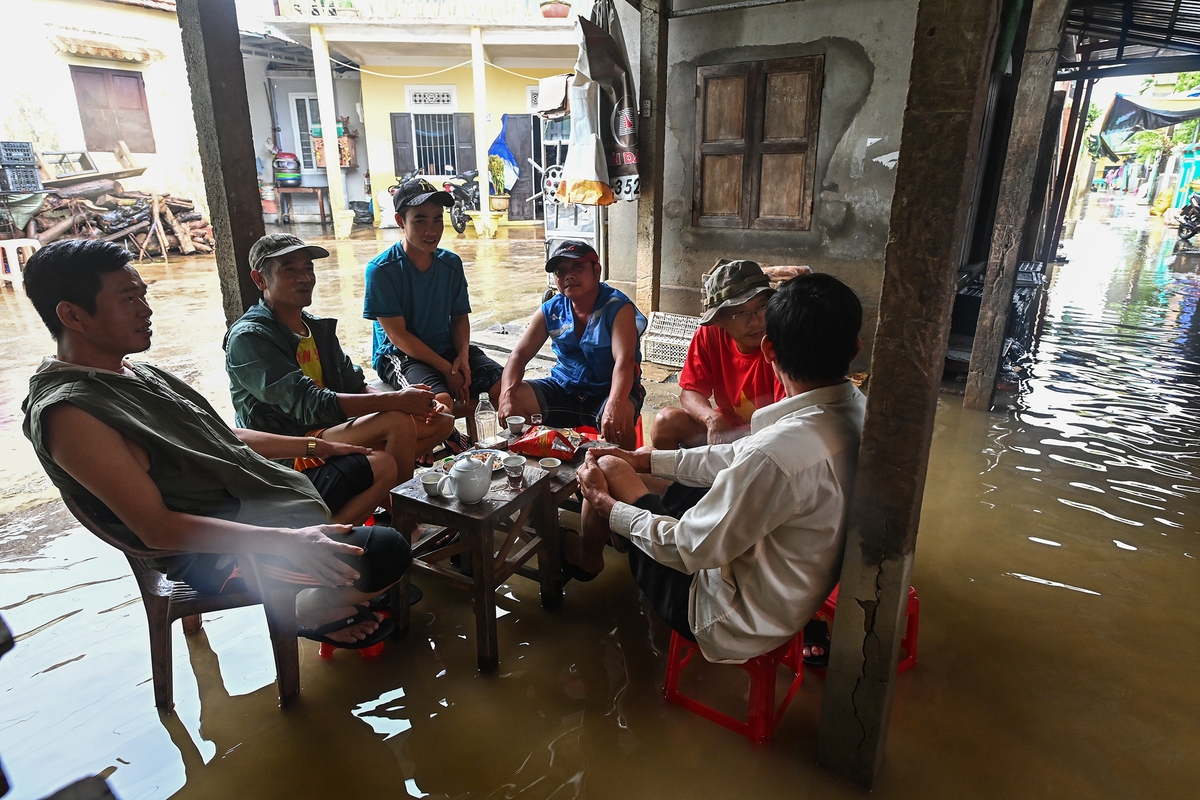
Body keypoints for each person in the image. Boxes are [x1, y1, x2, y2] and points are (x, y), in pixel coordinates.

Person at [22, 240, 409, 648]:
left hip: (258, 499)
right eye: (127, 298)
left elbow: (225, 439)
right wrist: (290, 542)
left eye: (143, 295)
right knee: (388, 553)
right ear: (73, 315)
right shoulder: (71, 414)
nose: (146, 310)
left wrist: (319, 448)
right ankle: (307, 604)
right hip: (217, 551)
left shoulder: (137, 373)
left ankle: (321, 573)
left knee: (374, 465)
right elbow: (156, 528)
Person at [574, 273, 866, 664]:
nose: (747, 319)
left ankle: (591, 556)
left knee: (608, 467)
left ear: (769, 349)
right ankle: (614, 534)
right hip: (795, 585)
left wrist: (607, 504)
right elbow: (737, 455)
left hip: (726, 620)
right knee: (644, 464)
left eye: (756, 310)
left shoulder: (778, 453)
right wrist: (644, 458)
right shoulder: (856, 411)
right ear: (855, 349)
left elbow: (687, 549)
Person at [224, 233, 455, 525]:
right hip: (290, 445)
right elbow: (308, 404)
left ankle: (393, 504)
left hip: (329, 431)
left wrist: (413, 404)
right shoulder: (250, 337)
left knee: (442, 418)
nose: (305, 277)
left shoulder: (316, 329)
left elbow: (356, 385)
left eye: (308, 268)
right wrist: (397, 400)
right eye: (290, 269)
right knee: (396, 420)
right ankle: (402, 520)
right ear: (260, 280)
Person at [363, 178, 503, 440]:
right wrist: (447, 370)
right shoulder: (381, 270)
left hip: (447, 348)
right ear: (400, 221)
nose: (431, 230)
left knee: (506, 388)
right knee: (438, 405)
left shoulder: (450, 263)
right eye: (420, 220)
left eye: (437, 220)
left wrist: (461, 356)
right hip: (401, 355)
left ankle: (470, 444)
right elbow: (398, 337)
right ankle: (450, 440)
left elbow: (460, 315)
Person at [496, 240, 647, 449]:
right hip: (565, 389)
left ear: (596, 271)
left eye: (578, 266)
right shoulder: (550, 310)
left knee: (618, 421)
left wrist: (614, 403)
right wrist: (506, 395)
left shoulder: (618, 308)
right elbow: (518, 356)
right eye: (561, 271)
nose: (569, 275)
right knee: (514, 399)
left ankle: (630, 470)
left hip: (609, 390)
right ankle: (545, 466)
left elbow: (625, 361)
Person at [650, 259, 790, 450]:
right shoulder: (710, 334)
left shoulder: (781, 337)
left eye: (761, 307)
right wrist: (711, 418)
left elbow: (786, 416)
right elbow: (691, 392)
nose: (756, 322)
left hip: (771, 436)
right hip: (728, 429)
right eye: (740, 313)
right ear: (719, 319)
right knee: (665, 423)